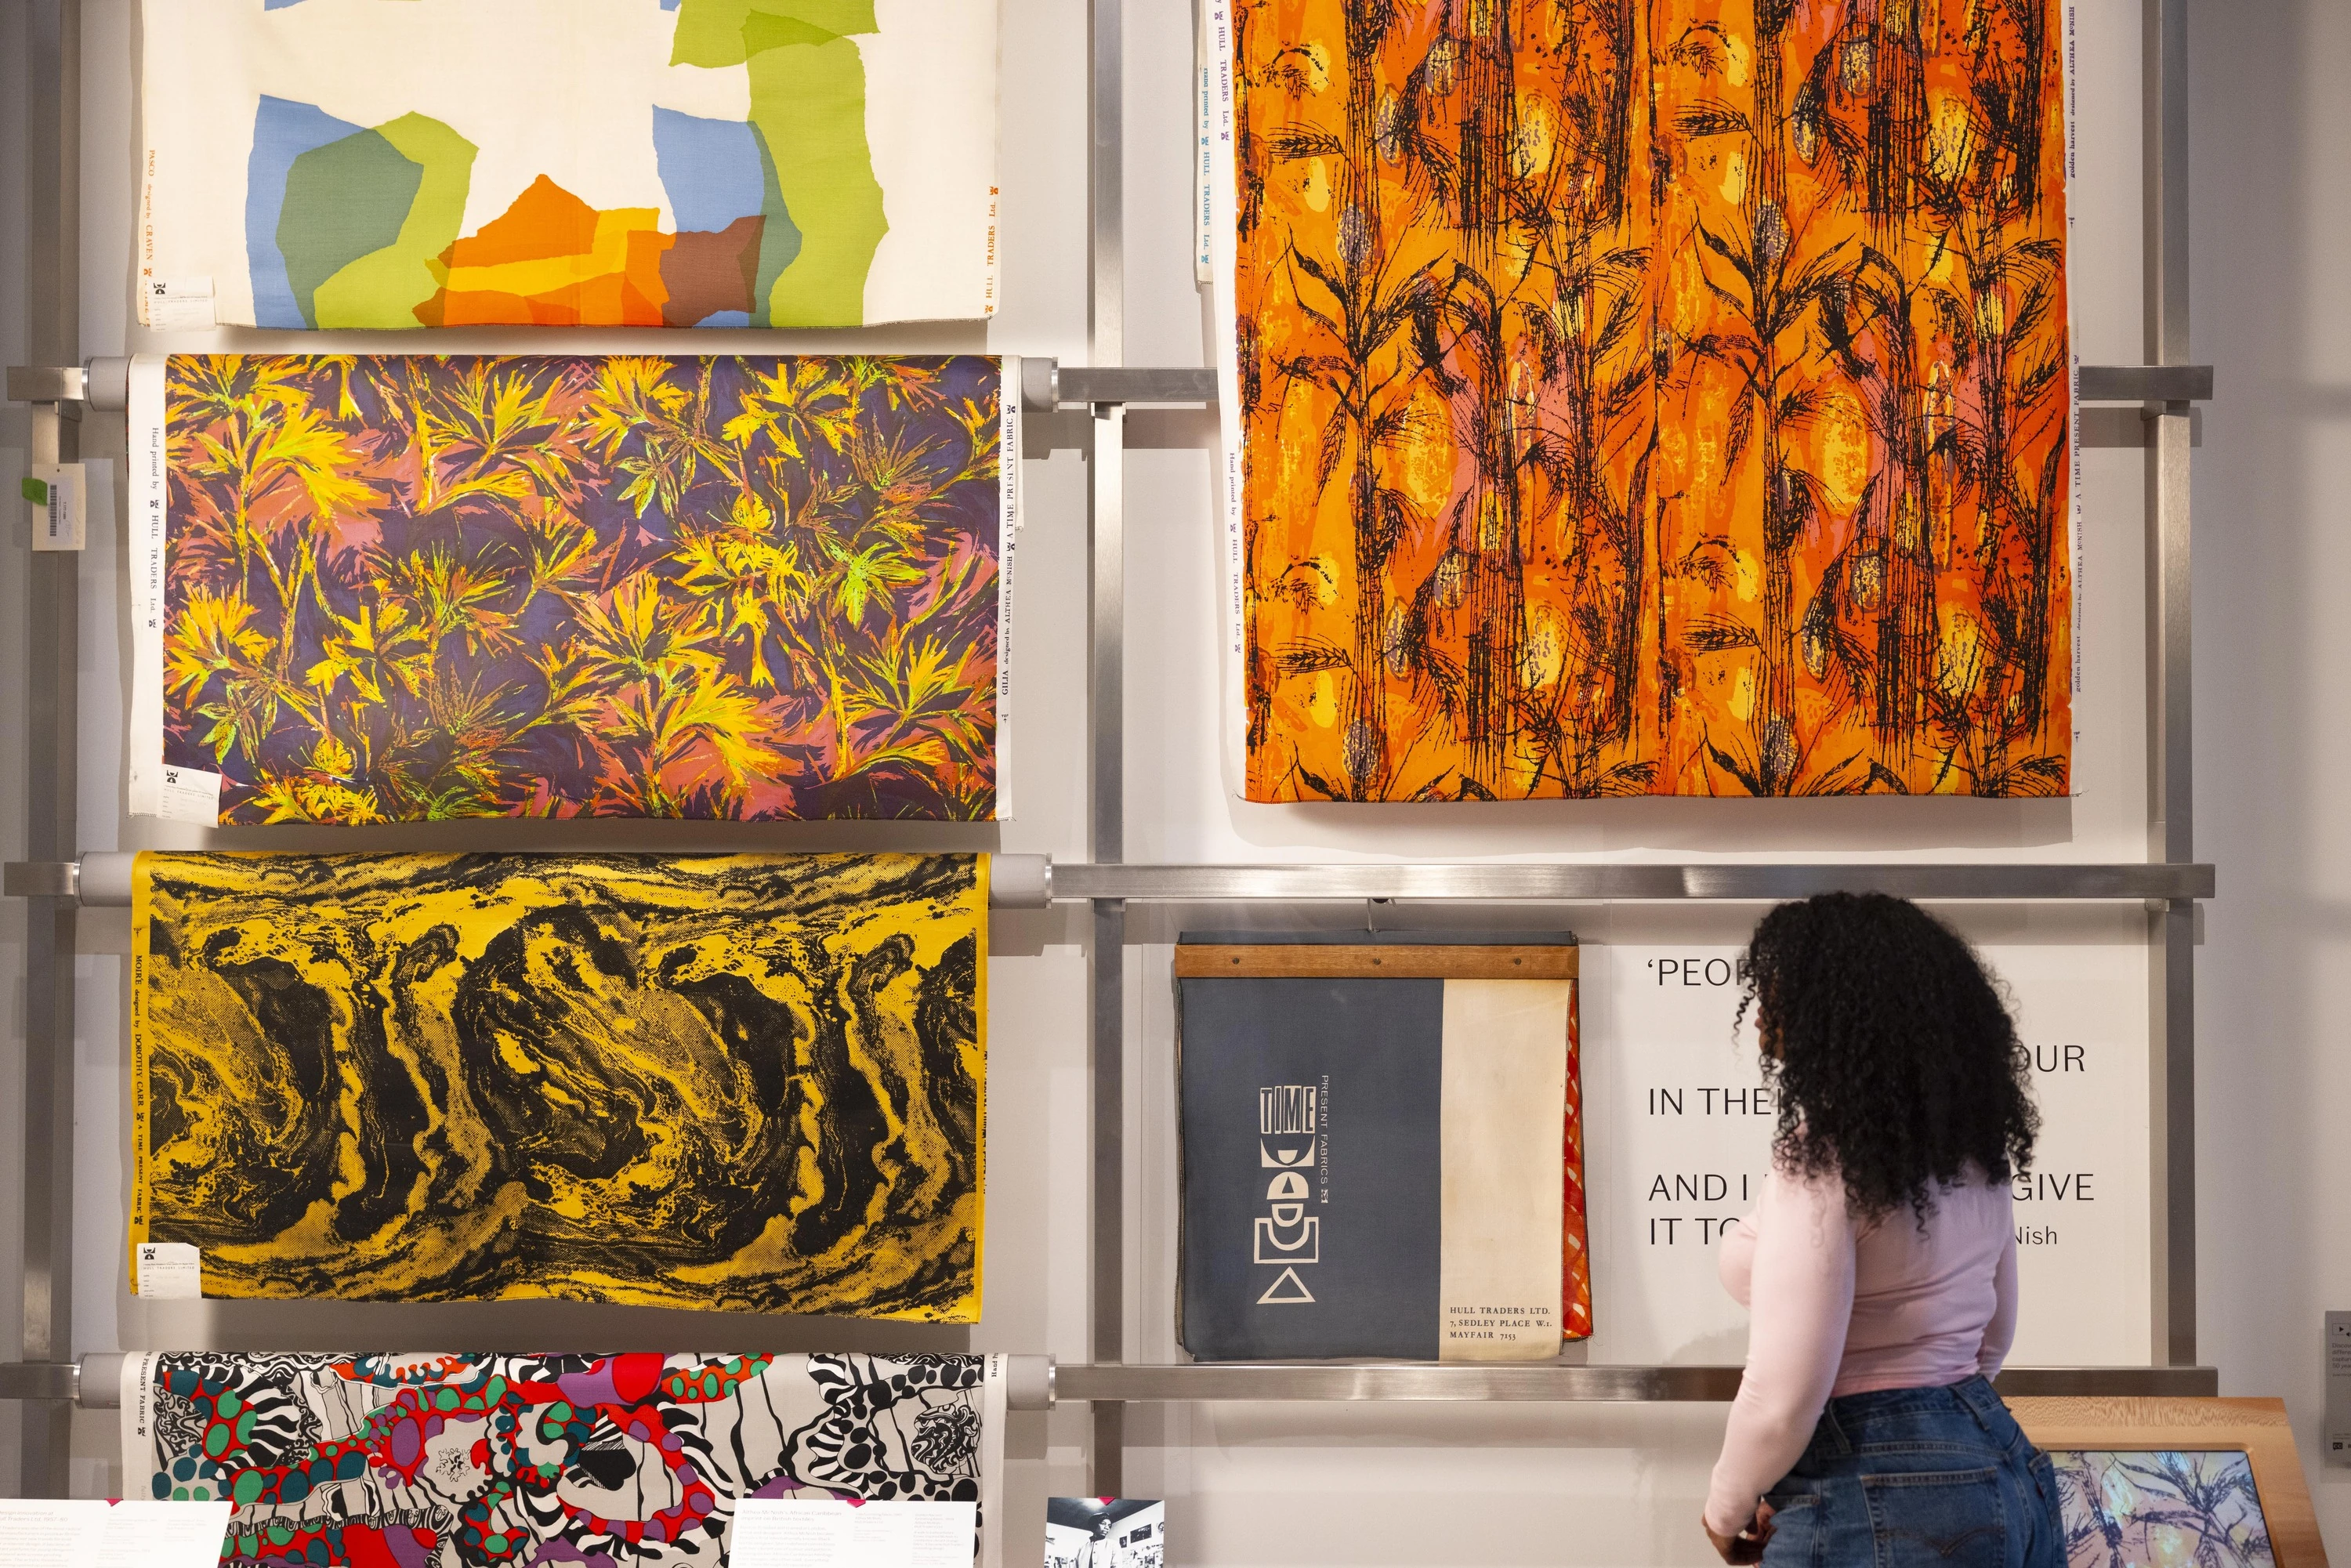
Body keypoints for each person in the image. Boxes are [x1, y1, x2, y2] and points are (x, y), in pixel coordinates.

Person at [1701, 893, 2063, 1568]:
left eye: (1778, 991)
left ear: (1836, 1005)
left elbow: (1784, 1390)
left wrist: (1726, 1507)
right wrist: (1939, 1428)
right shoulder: (1977, 1151)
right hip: (2002, 1460)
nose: (1759, 1018)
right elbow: (1995, 1332)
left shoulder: (1822, 1159)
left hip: (1871, 1482)